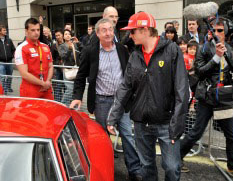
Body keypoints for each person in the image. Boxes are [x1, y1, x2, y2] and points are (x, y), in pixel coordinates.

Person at [107, 11, 189, 181]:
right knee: (147, 167)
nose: (130, 35)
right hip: (141, 124)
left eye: (133, 31)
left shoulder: (172, 50)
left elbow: (182, 90)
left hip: (167, 123)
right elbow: (125, 87)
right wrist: (112, 117)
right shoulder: (135, 55)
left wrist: (177, 125)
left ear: (145, 30)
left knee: (172, 168)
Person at [69, 18, 142, 181]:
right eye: (104, 30)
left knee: (127, 135)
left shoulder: (122, 50)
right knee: (102, 138)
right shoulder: (89, 51)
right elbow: (81, 77)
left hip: (122, 102)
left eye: (111, 29)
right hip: (101, 102)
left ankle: (135, 170)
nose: (108, 33)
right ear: (97, 33)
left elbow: (129, 75)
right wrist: (77, 97)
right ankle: (105, 171)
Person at [180, 18, 233, 180]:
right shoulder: (204, 48)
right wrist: (216, 57)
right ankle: (176, 157)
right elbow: (199, 72)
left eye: (220, 30)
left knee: (231, 135)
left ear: (226, 32)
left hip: (223, 99)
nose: (216, 33)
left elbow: (228, 74)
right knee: (196, 132)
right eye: (214, 30)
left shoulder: (230, 50)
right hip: (207, 98)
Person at [15, 18, 54, 100]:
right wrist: (43, 83)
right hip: (30, 91)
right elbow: (24, 74)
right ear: (26, 31)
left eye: (38, 30)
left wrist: (47, 81)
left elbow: (50, 66)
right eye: (33, 30)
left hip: (46, 89)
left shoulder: (45, 47)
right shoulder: (21, 48)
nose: (36, 33)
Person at [59, 29, 80, 106]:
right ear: (63, 37)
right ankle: (63, 105)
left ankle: (73, 106)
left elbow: (80, 54)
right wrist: (69, 50)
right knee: (70, 89)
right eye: (66, 34)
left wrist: (78, 43)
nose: (67, 35)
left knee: (76, 90)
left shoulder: (75, 45)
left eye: (69, 34)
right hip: (68, 70)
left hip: (76, 69)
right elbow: (63, 57)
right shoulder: (62, 46)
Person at [0, 25, 16, 95]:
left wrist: (11, 56)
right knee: (2, 77)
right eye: (4, 30)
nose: (5, 31)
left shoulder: (9, 40)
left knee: (9, 76)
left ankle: (8, 87)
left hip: (9, 61)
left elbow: (13, 49)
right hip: (1, 62)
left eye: (5, 30)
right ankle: (4, 89)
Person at [52, 29, 65, 102]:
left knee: (67, 87)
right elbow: (52, 58)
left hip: (67, 69)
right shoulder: (54, 45)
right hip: (57, 69)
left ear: (62, 35)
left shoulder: (67, 43)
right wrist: (58, 63)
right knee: (58, 88)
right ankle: (57, 103)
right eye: (56, 35)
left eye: (59, 35)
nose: (57, 37)